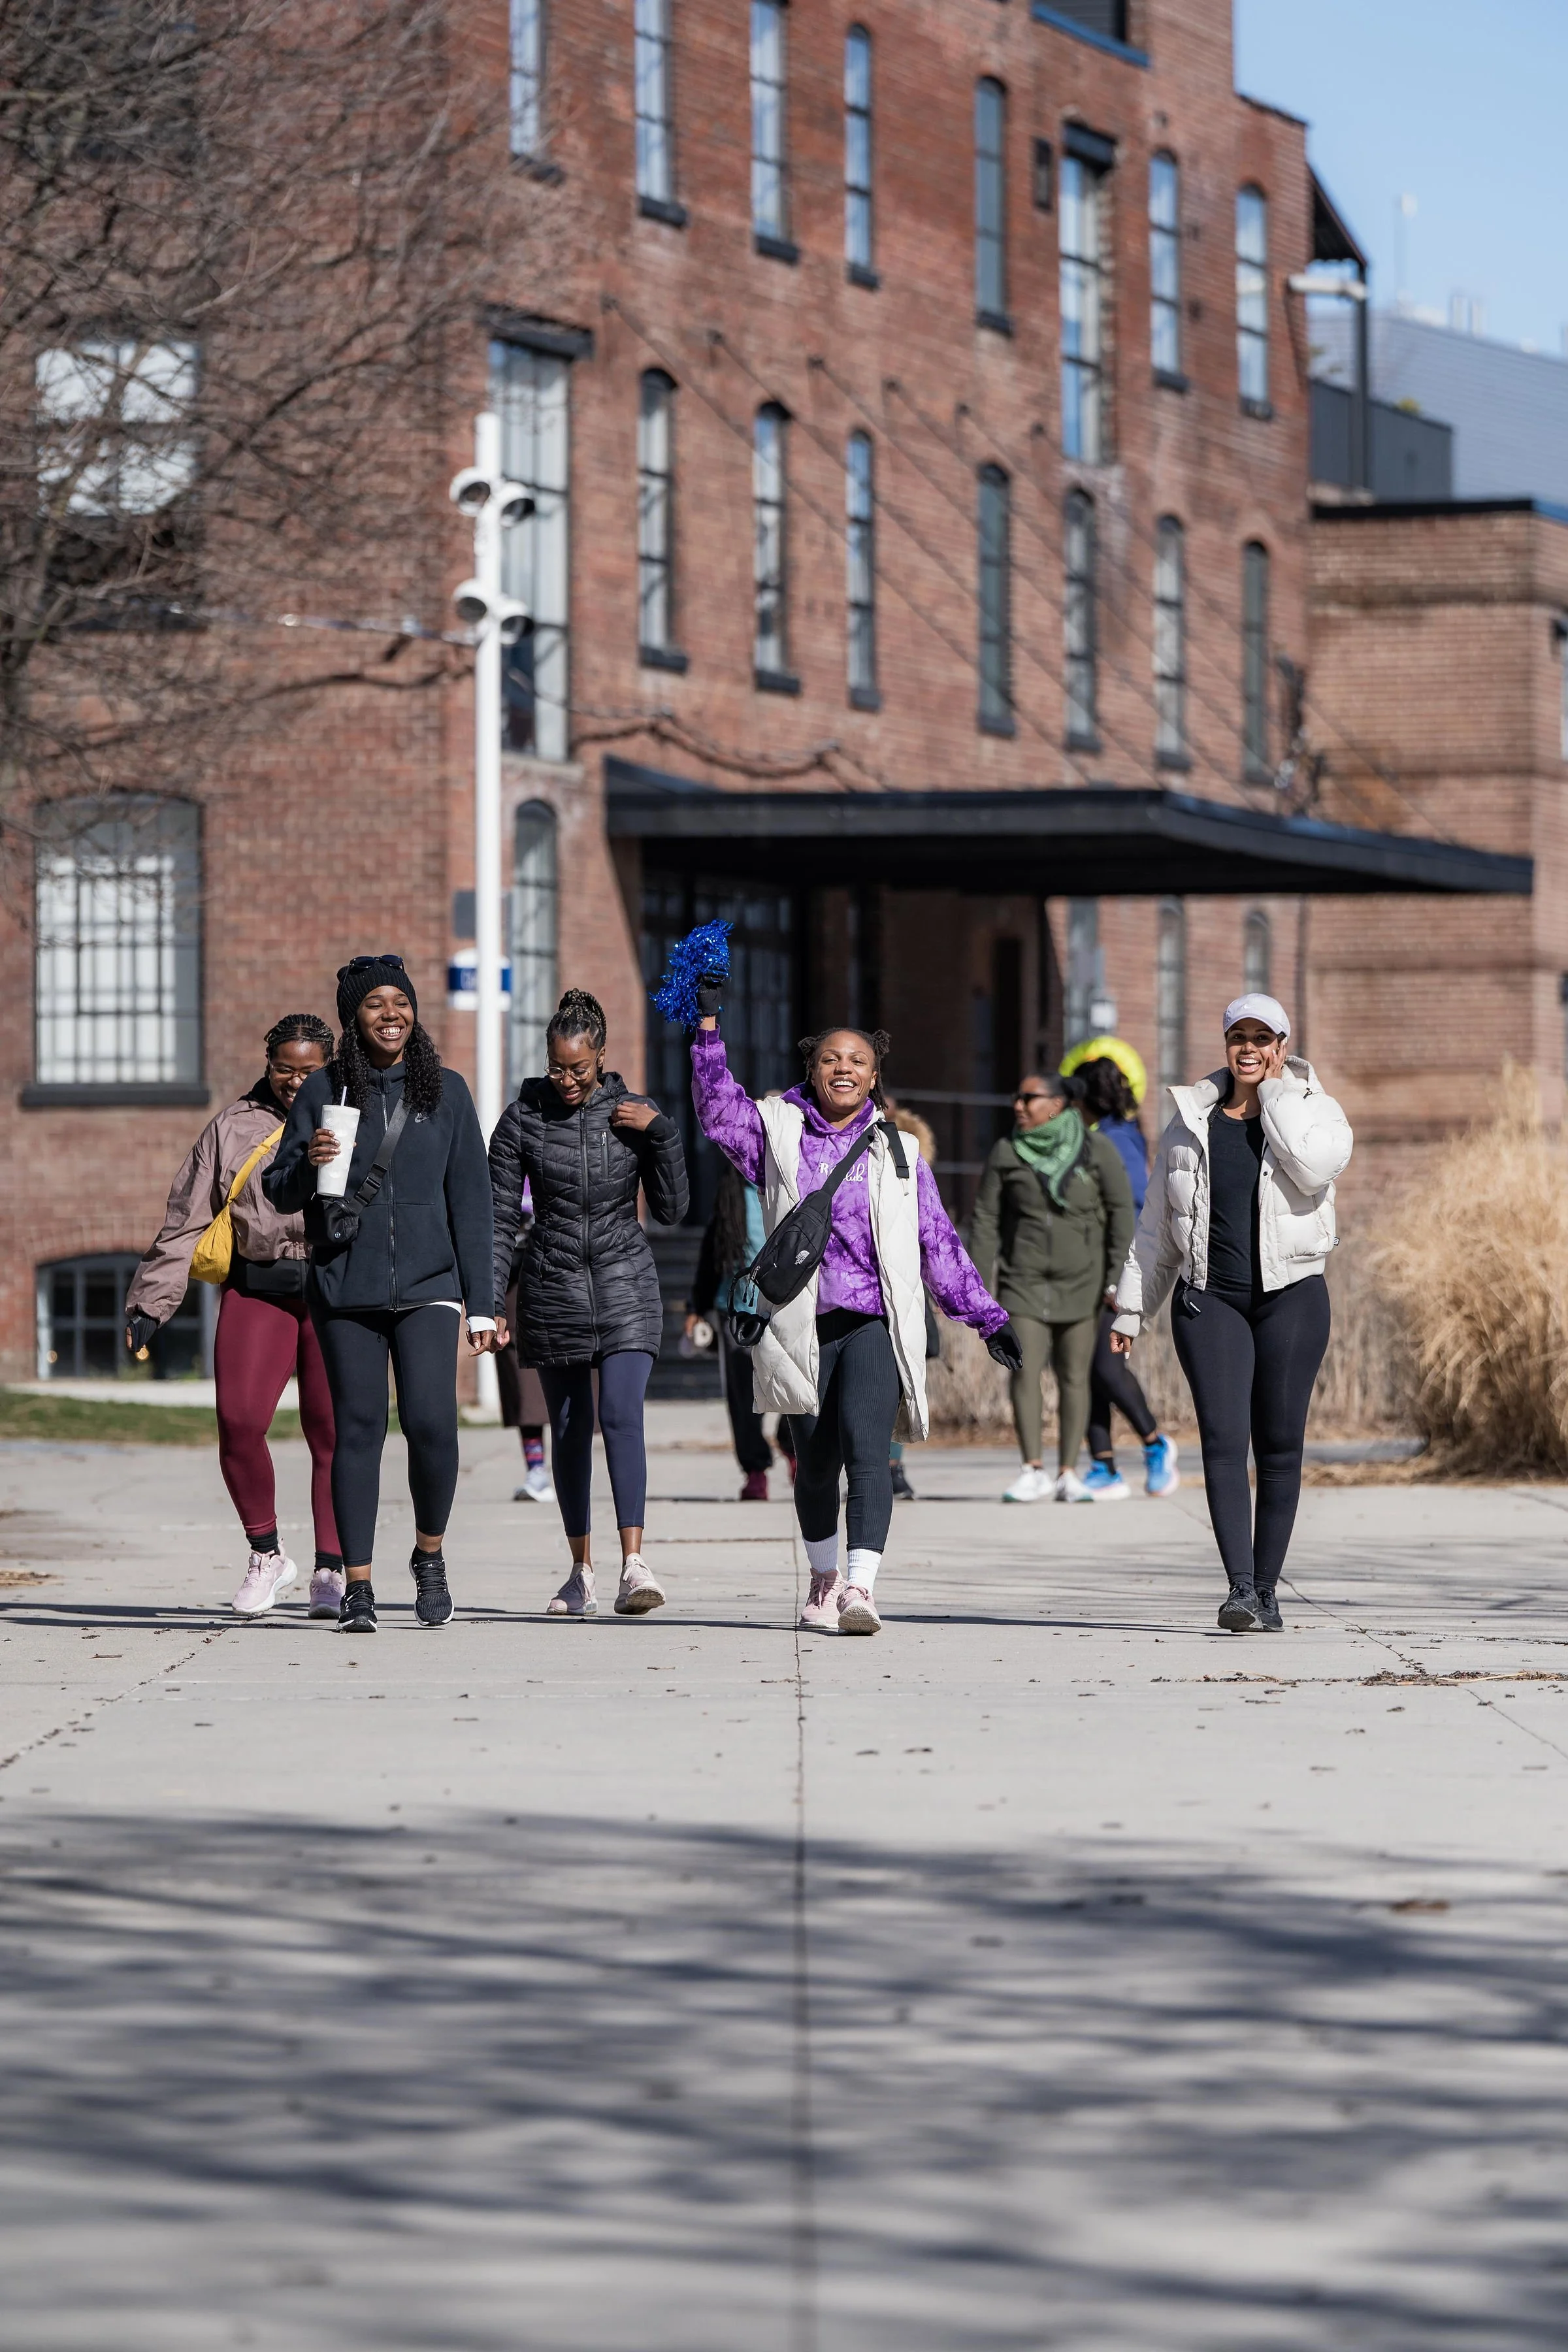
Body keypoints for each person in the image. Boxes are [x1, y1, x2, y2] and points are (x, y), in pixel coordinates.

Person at [693, 996, 1020, 1637]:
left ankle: (861, 1587)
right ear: (812, 1070)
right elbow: (715, 1110)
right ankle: (822, 1577)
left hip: (873, 1323)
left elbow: (938, 1242)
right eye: (831, 1059)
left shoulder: (900, 1154)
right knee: (814, 1463)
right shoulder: (776, 1132)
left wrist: (985, 1316)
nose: (844, 1068)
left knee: (869, 1456)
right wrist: (707, 1030)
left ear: (875, 1077)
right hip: (801, 1325)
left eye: (858, 1061)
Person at [265, 956, 497, 1633]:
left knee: (431, 1424)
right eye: (375, 1004)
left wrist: (482, 1301)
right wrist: (305, 1164)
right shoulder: (323, 1092)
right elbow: (278, 1190)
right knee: (357, 1432)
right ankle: (358, 1585)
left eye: (401, 1001)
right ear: (352, 1018)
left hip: (430, 1285)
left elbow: (473, 1204)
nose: (391, 1013)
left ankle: (429, 1554)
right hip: (346, 1283)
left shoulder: (447, 1093)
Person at [1111, 992, 1353, 1633]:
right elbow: (1156, 1229)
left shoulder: (1316, 1110)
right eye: (1238, 1037)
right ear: (1226, 1045)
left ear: (1282, 1045)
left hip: (1293, 1299)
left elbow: (1311, 1168)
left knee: (1278, 1445)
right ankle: (1241, 1589)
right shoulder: (1191, 1122)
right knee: (1222, 1442)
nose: (1249, 1048)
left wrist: (1274, 1099)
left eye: (1262, 1037)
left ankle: (1269, 1591)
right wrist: (1130, 1311)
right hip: (1209, 1300)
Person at [124, 1014, 344, 1619]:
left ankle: (332, 1567)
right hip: (258, 1289)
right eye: (284, 1069)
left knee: (335, 1434)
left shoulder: (355, 1116)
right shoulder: (232, 1127)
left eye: (311, 1070)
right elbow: (185, 1219)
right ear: (267, 1063)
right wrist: (151, 1302)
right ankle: (266, 1553)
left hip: (336, 1294)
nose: (296, 1082)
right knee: (240, 1421)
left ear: (330, 1064)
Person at [488, 987, 689, 1618]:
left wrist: (663, 1135)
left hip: (627, 1281)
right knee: (571, 1429)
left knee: (622, 1415)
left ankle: (635, 1565)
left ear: (601, 1054)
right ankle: (581, 1571)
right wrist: (491, 1301)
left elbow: (673, 1210)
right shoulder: (522, 1117)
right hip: (551, 1286)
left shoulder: (634, 1113)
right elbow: (496, 1217)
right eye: (557, 1066)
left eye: (578, 1067)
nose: (568, 1079)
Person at [969, 1069, 1135, 1503]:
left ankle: (1067, 1473)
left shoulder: (1096, 1150)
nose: (1018, 1106)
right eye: (1017, 1098)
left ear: (1057, 1105)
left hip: (1084, 1284)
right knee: (1024, 1369)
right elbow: (985, 1220)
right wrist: (976, 1285)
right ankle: (1032, 1469)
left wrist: (1118, 1278)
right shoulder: (1006, 1152)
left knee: (1074, 1376)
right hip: (1022, 1283)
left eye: (1029, 1098)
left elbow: (1121, 1215)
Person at [1073, 1054, 1180, 1502]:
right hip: (1084, 1272)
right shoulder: (1097, 1137)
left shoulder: (1118, 1142)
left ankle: (1156, 1445)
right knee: (1083, 1369)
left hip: (1117, 1270)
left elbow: (1138, 1209)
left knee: (1106, 1365)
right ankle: (1103, 1465)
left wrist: (1124, 1278)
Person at [687, 1155, 789, 1501]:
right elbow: (712, 1250)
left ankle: (794, 1450)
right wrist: (696, 1307)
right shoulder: (732, 1190)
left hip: (786, 1308)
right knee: (742, 1397)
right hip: (735, 1309)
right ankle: (756, 1471)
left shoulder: (793, 1186)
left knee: (794, 1387)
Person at [495, 1177, 552, 1501]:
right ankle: (537, 1469)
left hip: (564, 1268)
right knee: (522, 1376)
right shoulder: (509, 1145)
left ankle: (570, 1469)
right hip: (516, 1274)